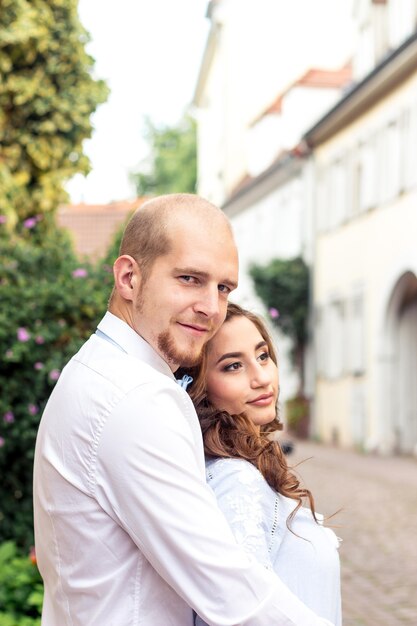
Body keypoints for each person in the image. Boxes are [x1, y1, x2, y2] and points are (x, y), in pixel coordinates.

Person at [33, 193, 336, 626]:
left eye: (224, 287)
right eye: (190, 279)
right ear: (129, 278)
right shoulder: (136, 396)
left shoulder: (95, 370)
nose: (212, 308)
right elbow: (229, 592)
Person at [183, 302, 342, 626]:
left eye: (263, 356)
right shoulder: (235, 479)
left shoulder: (244, 468)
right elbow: (236, 611)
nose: (260, 378)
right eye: (232, 366)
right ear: (200, 385)